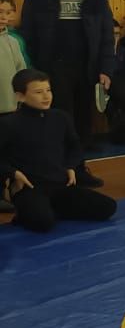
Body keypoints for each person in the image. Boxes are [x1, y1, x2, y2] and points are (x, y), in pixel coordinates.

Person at [20, 0, 114, 186]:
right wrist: (35, 68)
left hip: (87, 66)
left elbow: (105, 36)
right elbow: (29, 33)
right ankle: (57, 169)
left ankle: (79, 168)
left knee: (84, 121)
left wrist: (106, 69)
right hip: (53, 67)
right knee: (60, 119)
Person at [0, 69, 117, 233]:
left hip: (60, 185)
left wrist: (70, 166)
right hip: (29, 188)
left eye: (48, 90)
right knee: (43, 223)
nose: (46, 96)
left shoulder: (60, 117)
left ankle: (53, 208)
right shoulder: (9, 124)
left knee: (108, 207)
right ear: (20, 96)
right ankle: (35, 211)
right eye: (38, 92)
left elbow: (75, 146)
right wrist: (13, 173)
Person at [0, 0, 30, 117]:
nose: (4, 17)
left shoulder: (13, 41)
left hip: (10, 108)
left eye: (8, 12)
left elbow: (21, 72)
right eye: (0, 12)